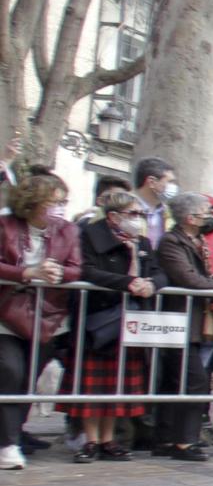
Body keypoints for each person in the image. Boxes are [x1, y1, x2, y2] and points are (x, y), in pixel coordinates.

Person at [61, 189, 159, 460]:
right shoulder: (90, 236)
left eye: (141, 214)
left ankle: (108, 439)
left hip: (132, 320)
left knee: (117, 385)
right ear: (113, 216)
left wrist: (151, 284)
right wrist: (127, 283)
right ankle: (90, 440)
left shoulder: (142, 242)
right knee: (94, 386)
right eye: (133, 214)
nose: (138, 219)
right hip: (99, 316)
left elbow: (159, 272)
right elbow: (87, 271)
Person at [0, 171, 80, 470]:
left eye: (63, 202)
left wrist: (60, 273)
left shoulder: (68, 231)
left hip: (47, 317)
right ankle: (7, 445)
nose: (59, 209)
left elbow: (75, 267)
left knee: (27, 381)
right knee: (9, 370)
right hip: (6, 313)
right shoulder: (5, 225)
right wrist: (26, 273)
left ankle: (11, 437)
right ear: (33, 202)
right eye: (54, 202)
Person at [152, 192, 213, 462]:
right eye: (205, 212)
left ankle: (171, 437)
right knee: (192, 380)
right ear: (190, 218)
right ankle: (183, 440)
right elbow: (187, 278)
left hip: (194, 320)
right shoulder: (172, 242)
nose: (211, 217)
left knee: (182, 380)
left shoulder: (196, 241)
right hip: (177, 320)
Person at [133, 156, 176, 247]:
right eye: (169, 182)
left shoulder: (169, 214)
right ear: (151, 182)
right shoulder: (122, 209)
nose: (173, 187)